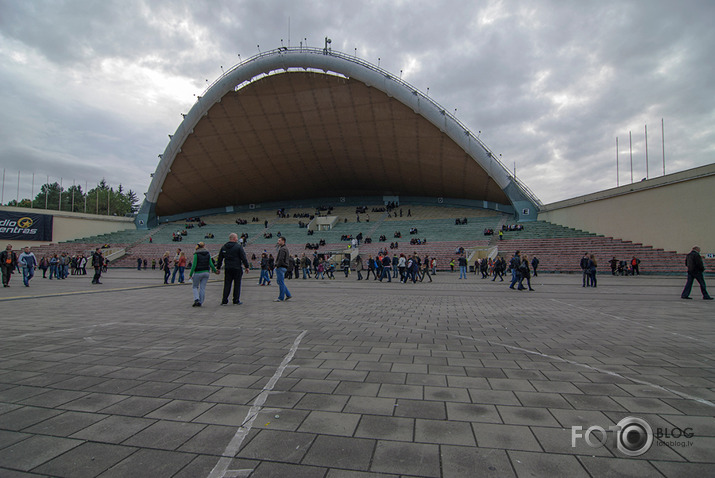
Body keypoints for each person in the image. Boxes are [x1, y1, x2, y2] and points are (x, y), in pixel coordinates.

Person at [216, 233, 250, 305]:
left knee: (227, 284)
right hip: (237, 267)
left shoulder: (224, 247)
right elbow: (243, 257)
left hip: (228, 268)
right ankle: (236, 300)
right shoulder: (238, 247)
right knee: (237, 284)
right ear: (234, 238)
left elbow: (220, 258)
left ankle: (224, 300)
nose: (237, 239)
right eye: (237, 238)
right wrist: (247, 266)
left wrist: (218, 268)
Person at [189, 242, 218, 307]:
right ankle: (201, 302)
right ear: (204, 246)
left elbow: (194, 265)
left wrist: (190, 274)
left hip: (198, 272)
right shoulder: (208, 253)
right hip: (206, 272)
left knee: (195, 286)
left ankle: (196, 299)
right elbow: (211, 264)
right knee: (202, 288)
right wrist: (215, 271)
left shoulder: (196, 254)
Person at [274, 236, 292, 302]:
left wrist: (277, 265)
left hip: (281, 267)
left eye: (279, 240)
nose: (278, 242)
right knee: (280, 282)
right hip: (284, 267)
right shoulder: (285, 248)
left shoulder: (282, 249)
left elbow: (280, 259)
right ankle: (288, 294)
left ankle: (281, 297)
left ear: (283, 241)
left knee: (280, 282)